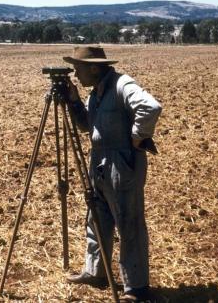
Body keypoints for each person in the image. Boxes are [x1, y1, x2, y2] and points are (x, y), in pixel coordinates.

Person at [63, 46, 162, 302]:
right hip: (98, 162)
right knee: (96, 219)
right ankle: (96, 272)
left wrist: (138, 138)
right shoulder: (94, 93)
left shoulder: (121, 84)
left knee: (129, 224)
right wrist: (74, 101)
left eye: (79, 69)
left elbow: (150, 107)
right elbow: (87, 126)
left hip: (121, 165)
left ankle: (136, 289)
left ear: (95, 68)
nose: (76, 74)